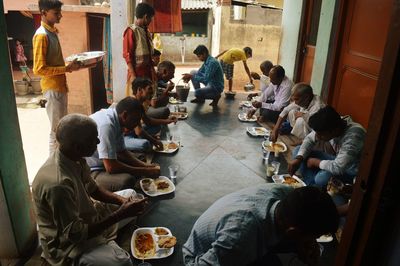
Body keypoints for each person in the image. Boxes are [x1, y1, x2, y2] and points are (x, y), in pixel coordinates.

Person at [32, 114, 147, 265]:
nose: (98, 141)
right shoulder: (58, 184)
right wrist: (120, 214)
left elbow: (94, 189)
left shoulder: (75, 157)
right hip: (68, 245)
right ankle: (104, 247)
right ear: (78, 147)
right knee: (123, 262)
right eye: (94, 139)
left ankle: (107, 243)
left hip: (90, 215)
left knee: (133, 197)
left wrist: (122, 201)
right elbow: (76, 235)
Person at [183, 184, 339, 266]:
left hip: (235, 231)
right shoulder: (240, 238)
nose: (314, 240)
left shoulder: (286, 193)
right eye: (314, 237)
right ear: (293, 232)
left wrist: (306, 244)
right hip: (200, 255)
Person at [33, 0, 81, 154]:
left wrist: (70, 66)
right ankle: (53, 168)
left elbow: (52, 63)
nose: (60, 15)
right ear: (43, 13)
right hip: (52, 89)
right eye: (56, 13)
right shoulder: (41, 36)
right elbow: (39, 69)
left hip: (59, 87)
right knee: (56, 132)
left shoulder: (52, 32)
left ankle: (59, 163)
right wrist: (66, 68)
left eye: (59, 12)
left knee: (61, 129)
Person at [86, 97, 160, 192]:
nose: (137, 124)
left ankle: (139, 175)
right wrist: (144, 170)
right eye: (136, 120)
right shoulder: (107, 126)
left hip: (106, 162)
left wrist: (145, 165)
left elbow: (122, 152)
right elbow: (111, 167)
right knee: (127, 181)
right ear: (125, 115)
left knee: (140, 158)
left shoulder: (117, 120)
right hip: (92, 170)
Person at [288, 106, 366, 190]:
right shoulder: (334, 123)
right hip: (338, 160)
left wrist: (316, 162)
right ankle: (313, 185)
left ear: (334, 130)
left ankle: (313, 186)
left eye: (321, 134)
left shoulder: (354, 135)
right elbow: (309, 139)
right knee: (298, 151)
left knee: (321, 178)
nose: (317, 136)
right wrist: (299, 158)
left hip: (351, 172)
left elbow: (338, 168)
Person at [124, 77, 177, 152]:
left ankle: (140, 139)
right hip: (124, 138)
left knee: (157, 127)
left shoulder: (141, 103)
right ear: (140, 90)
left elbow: (148, 121)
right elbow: (139, 131)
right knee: (145, 144)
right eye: (149, 89)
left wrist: (167, 120)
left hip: (133, 132)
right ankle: (135, 142)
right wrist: (154, 141)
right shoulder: (133, 104)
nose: (152, 92)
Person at [123, 2, 155, 96]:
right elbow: (127, 55)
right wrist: (133, 76)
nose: (151, 21)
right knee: (136, 102)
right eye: (150, 18)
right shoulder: (131, 31)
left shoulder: (146, 31)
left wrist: (152, 70)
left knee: (146, 102)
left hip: (147, 73)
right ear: (145, 17)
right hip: (137, 74)